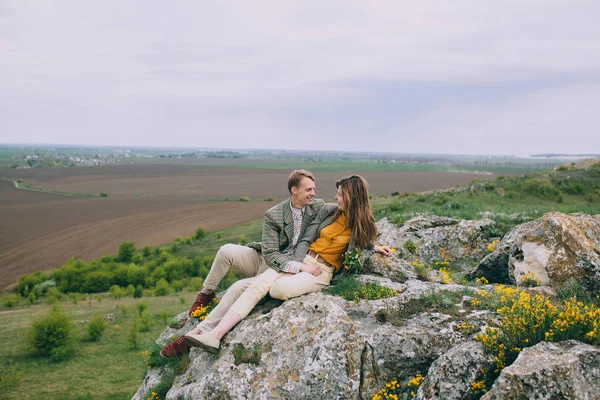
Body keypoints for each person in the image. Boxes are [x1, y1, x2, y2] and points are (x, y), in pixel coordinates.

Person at [182, 175, 392, 353]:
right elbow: (305, 240)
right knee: (253, 285)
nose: (336, 197)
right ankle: (214, 336)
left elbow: (363, 243)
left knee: (277, 288)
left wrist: (374, 248)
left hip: (321, 271)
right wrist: (297, 264)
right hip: (301, 261)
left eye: (340, 194)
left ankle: (211, 330)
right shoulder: (329, 211)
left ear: (352, 197)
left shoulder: (364, 225)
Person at [159, 169, 324, 358]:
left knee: (237, 288)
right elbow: (270, 254)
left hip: (280, 268)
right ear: (294, 190)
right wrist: (298, 267)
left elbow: (341, 209)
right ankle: (206, 293)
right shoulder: (274, 214)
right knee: (225, 251)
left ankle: (192, 335)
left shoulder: (316, 206)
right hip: (267, 258)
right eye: (308, 189)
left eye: (314, 189)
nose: (313, 193)